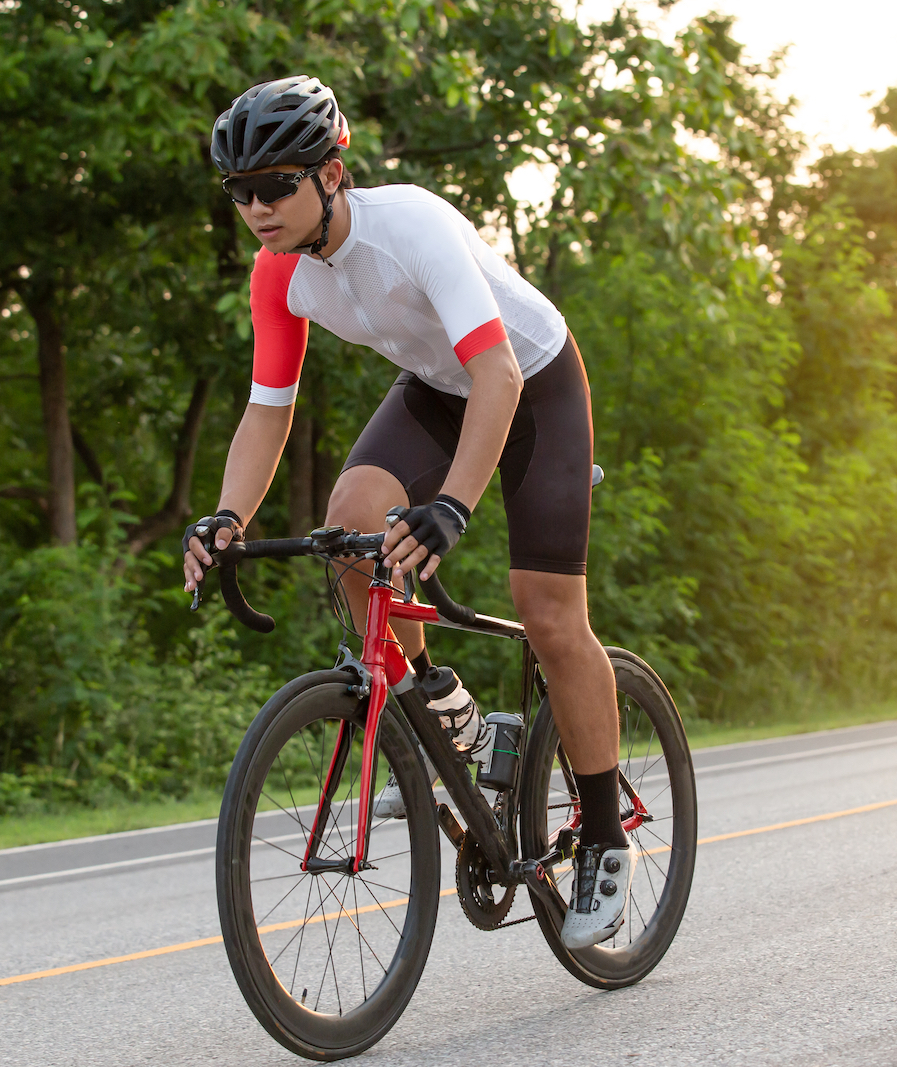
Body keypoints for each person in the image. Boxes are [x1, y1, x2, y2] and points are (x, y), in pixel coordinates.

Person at [181, 76, 631, 949]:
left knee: (547, 612)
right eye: (240, 192)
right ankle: (444, 711)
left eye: (275, 185)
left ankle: (606, 836)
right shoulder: (278, 275)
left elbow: (498, 374)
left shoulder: (412, 226)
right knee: (352, 524)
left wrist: (452, 505)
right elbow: (267, 411)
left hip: (533, 382)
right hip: (438, 387)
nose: (257, 208)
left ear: (331, 174)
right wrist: (227, 517)